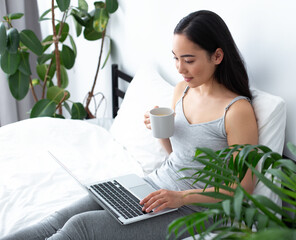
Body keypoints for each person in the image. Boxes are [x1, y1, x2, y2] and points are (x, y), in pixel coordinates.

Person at [0, 10, 258, 240]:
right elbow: (178, 157)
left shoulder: (236, 111)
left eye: (189, 60)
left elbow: (243, 188)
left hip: (194, 210)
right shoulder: (183, 90)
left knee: (80, 228)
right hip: (154, 187)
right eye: (175, 58)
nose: (180, 68)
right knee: (57, 219)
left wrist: (180, 197)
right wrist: (160, 131)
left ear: (217, 56)